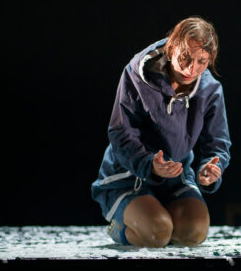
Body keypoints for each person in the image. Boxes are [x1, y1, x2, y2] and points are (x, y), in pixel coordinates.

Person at [91, 16, 231, 247]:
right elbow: (120, 133)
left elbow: (217, 142)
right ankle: (121, 229)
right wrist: (149, 164)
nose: (191, 68)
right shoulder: (138, 75)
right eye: (185, 58)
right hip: (131, 175)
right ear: (171, 48)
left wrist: (212, 166)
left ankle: (157, 216)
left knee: (193, 233)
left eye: (201, 62)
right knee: (157, 233)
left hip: (175, 175)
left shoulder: (210, 88)